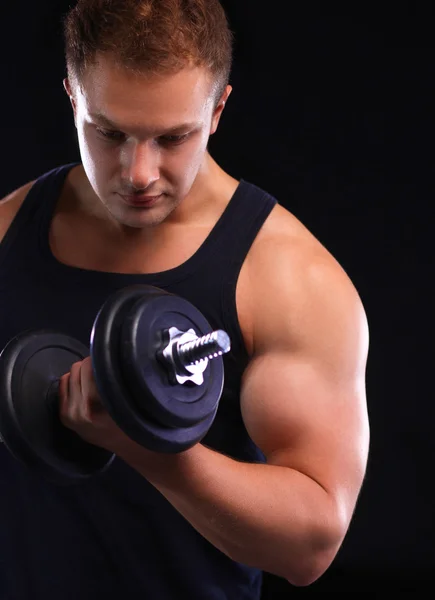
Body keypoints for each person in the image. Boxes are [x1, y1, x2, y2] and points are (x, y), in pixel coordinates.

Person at [0, 0, 370, 598]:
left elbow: (310, 545)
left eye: (172, 137)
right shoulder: (6, 235)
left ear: (217, 109)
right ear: (72, 97)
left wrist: (152, 448)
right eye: (110, 132)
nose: (139, 171)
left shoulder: (287, 277)